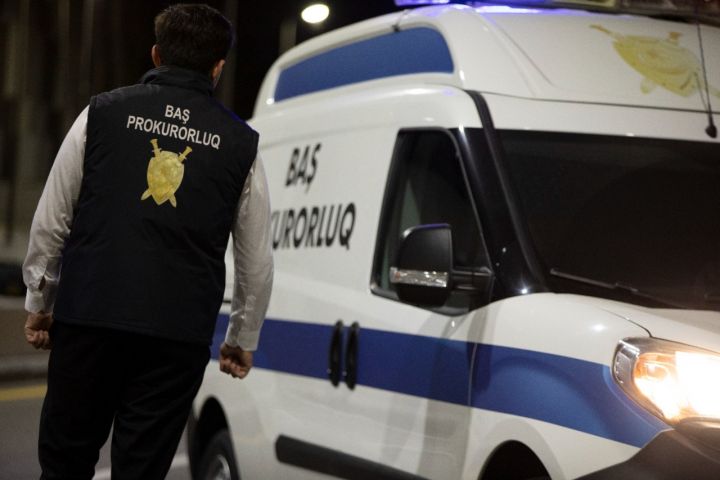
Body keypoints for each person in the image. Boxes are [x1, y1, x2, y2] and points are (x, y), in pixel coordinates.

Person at [22, 4, 273, 479]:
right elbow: (255, 259)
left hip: (90, 317)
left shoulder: (101, 113)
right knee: (140, 470)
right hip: (177, 336)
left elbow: (52, 218)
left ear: (156, 53)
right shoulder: (242, 144)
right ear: (217, 68)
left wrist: (41, 299)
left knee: (63, 462)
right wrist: (242, 337)